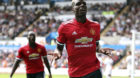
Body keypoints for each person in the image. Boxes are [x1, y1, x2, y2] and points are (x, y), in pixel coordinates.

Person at [52, 0, 114, 78]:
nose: (82, 5)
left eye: (84, 4)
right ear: (73, 9)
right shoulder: (64, 27)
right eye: (78, 4)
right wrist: (58, 53)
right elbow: (59, 48)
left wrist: (100, 50)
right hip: (75, 73)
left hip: (94, 70)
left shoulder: (95, 26)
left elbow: (96, 46)